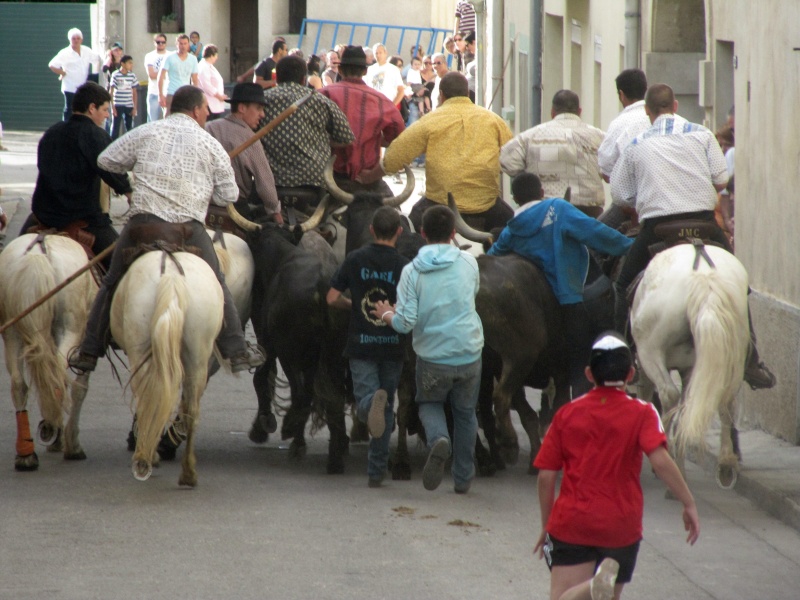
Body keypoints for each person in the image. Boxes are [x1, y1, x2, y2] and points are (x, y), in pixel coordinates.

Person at [68, 85, 265, 375]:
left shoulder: (147, 131)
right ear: (197, 110)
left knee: (111, 281)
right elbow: (229, 196)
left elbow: (106, 160)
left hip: (143, 227)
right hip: (188, 230)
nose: (207, 114)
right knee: (219, 282)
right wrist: (203, 187)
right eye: (206, 110)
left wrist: (136, 176)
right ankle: (236, 350)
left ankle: (89, 349)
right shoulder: (210, 143)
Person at [610, 83, 775, 389]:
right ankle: (751, 359)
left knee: (621, 286)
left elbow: (621, 194)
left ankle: (623, 355)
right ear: (674, 106)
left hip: (658, 228)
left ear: (648, 112)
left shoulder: (636, 144)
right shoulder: (702, 135)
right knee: (740, 284)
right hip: (705, 225)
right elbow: (720, 179)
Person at [533, 331, 700, 600]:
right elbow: (660, 461)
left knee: (563, 596)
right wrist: (688, 502)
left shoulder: (566, 414)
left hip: (572, 523)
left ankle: (589, 588)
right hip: (621, 528)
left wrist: (546, 524)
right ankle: (597, 585)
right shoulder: (644, 412)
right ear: (631, 373)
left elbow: (546, 476)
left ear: (589, 374)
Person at [487, 173, 633, 396]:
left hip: (554, 308)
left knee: (577, 366)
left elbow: (491, 258)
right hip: (589, 296)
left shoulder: (510, 231)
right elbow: (596, 233)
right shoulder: (557, 208)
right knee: (612, 340)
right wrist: (631, 245)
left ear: (515, 199)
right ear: (542, 192)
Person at [371, 205, 483, 494]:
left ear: (421, 234)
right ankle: (462, 478)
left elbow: (405, 323)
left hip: (432, 357)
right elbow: (472, 294)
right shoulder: (470, 263)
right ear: (454, 233)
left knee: (429, 404)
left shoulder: (411, 272)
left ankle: (437, 439)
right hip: (470, 352)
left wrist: (385, 314)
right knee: (466, 413)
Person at [363, 72, 513, 233]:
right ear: (467, 94)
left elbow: (394, 157)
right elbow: (512, 158)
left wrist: (369, 176)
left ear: (441, 95)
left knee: (409, 235)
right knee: (514, 230)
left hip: (438, 205)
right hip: (487, 205)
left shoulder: (430, 120)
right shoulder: (494, 120)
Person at [327, 207, 410, 487]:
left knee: (369, 400)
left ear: (371, 229)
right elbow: (409, 309)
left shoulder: (355, 258)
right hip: (393, 346)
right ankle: (376, 471)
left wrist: (352, 306)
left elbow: (330, 297)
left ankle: (366, 407)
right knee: (386, 408)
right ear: (399, 231)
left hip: (361, 344)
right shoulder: (403, 266)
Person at [19, 82, 132, 271]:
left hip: (43, 215)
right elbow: (112, 170)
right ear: (91, 108)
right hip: (83, 219)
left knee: (10, 260)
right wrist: (128, 190)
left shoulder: (51, 132)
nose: (106, 115)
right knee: (124, 266)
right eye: (104, 110)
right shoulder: (96, 135)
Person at [500, 90, 606, 218]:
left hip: (546, 212)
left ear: (552, 112)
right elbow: (610, 172)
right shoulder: (600, 137)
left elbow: (506, 162)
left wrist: (530, 175)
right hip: (590, 213)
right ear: (579, 112)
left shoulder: (530, 137)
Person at [259, 55, 354, 196]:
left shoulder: (261, 100)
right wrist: (320, 140)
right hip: (315, 181)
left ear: (277, 78)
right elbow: (347, 138)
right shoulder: (322, 101)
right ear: (304, 79)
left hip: (270, 180)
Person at [318, 46, 405, 196]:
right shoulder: (381, 100)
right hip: (368, 181)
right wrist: (371, 137)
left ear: (340, 70)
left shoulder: (324, 94)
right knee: (397, 217)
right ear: (365, 71)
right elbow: (399, 138)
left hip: (330, 179)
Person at [205, 83, 282, 223]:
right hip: (235, 209)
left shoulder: (208, 127)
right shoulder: (251, 139)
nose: (262, 114)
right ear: (241, 108)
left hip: (202, 205)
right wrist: (276, 213)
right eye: (258, 108)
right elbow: (265, 184)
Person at [597, 69, 651, 230]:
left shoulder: (620, 123)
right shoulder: (675, 123)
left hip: (634, 206)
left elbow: (606, 172)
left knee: (593, 240)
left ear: (621, 94)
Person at [49, 28, 100, 121]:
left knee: (82, 110)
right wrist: (62, 72)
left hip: (82, 87)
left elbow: (97, 59)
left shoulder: (86, 51)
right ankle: (66, 130)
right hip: (70, 87)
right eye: (73, 38)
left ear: (81, 39)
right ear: (70, 40)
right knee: (69, 109)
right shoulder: (65, 53)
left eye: (78, 38)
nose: (76, 40)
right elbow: (52, 65)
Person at [158, 34, 200, 115]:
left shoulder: (193, 59)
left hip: (186, 94)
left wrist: (195, 96)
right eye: (181, 43)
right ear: (177, 44)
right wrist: (161, 95)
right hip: (172, 92)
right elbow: (161, 76)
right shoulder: (169, 57)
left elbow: (195, 80)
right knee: (169, 117)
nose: (183, 46)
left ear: (188, 44)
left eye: (185, 43)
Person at [109, 55, 139, 140]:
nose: (131, 65)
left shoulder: (132, 76)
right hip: (118, 104)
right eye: (129, 63)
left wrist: (134, 107)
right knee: (115, 127)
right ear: (122, 63)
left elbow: (134, 92)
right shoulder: (115, 75)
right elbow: (111, 91)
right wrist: (113, 107)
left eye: (131, 63)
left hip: (129, 104)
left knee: (129, 127)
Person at [144, 34, 170, 122]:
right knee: (152, 122)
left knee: (168, 122)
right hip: (154, 93)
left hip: (168, 93)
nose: (161, 44)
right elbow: (152, 75)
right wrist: (165, 73)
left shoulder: (171, 56)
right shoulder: (149, 56)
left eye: (163, 42)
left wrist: (160, 74)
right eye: (158, 42)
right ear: (154, 43)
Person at [197, 44, 227, 121]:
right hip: (209, 104)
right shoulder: (203, 66)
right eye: (216, 55)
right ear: (211, 55)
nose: (217, 58)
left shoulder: (209, 66)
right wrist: (219, 96)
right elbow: (206, 85)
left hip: (215, 104)